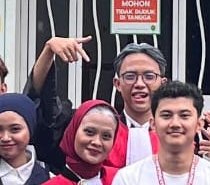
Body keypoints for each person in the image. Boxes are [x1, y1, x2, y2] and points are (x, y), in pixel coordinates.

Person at [32, 41, 167, 173]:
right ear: (117, 83)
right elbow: (45, 112)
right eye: (130, 76)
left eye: (149, 76)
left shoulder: (174, 133)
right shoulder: (92, 126)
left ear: (163, 83)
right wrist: (48, 52)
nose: (139, 84)